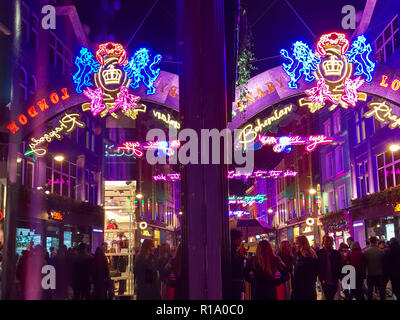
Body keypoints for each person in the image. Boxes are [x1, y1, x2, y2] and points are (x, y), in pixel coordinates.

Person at [291, 236, 318, 300]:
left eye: (297, 243)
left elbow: (302, 277)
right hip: (309, 290)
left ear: (302, 244)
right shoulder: (305, 255)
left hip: (303, 292)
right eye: (294, 243)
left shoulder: (306, 257)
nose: (295, 245)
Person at [317, 236, 342, 300]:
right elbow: (318, 267)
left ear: (332, 243)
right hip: (324, 280)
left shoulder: (336, 253)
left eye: (330, 241)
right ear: (323, 242)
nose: (328, 243)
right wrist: (321, 279)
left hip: (334, 280)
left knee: (332, 295)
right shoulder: (319, 253)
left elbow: (339, 266)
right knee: (327, 296)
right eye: (326, 241)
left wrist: (338, 277)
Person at [230, 229, 246, 300]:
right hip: (235, 282)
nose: (241, 240)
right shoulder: (232, 250)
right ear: (235, 239)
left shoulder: (234, 249)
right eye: (239, 238)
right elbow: (235, 265)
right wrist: (241, 255)